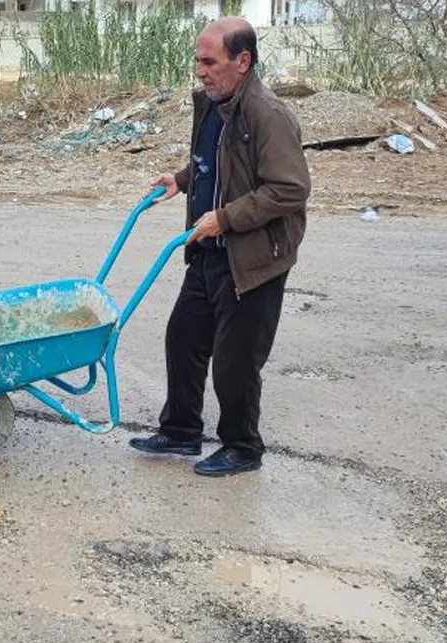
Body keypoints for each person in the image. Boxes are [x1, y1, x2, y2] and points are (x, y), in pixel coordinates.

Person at [128, 17, 310, 477]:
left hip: (252, 260)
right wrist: (182, 179)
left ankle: (243, 447)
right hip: (210, 249)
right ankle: (181, 431)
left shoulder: (267, 114)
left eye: (209, 62)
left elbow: (290, 190)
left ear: (242, 61)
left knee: (235, 361)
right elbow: (214, 162)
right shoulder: (213, 104)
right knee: (183, 338)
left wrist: (225, 217)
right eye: (197, 61)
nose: (200, 71)